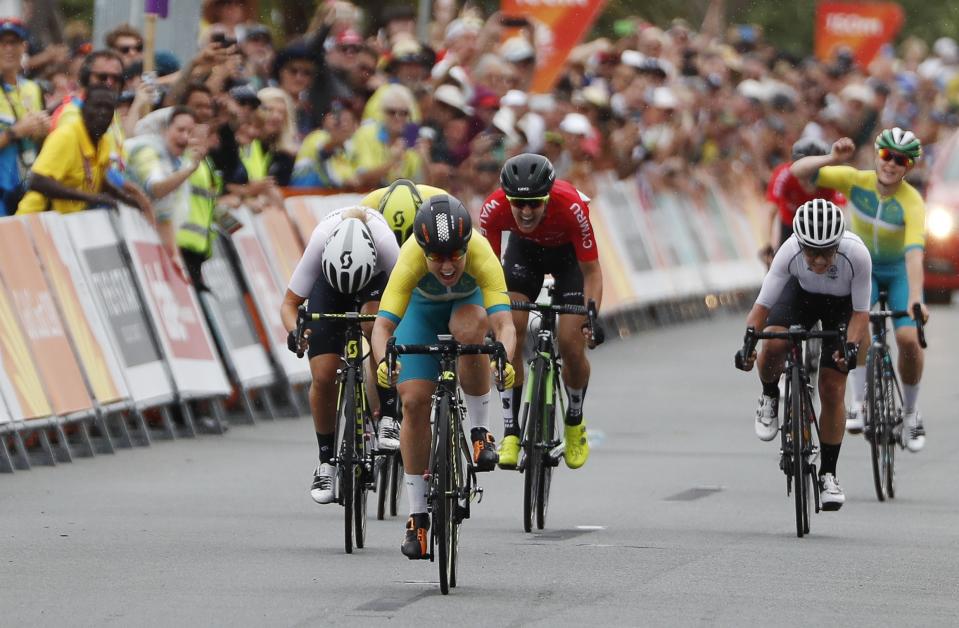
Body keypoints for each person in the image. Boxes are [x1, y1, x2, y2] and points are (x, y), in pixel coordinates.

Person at [370, 195, 517, 560]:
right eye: (436, 257)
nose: (448, 265)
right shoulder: (410, 258)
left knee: (470, 329)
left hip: (466, 306)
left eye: (455, 254)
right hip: (420, 314)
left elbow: (504, 324)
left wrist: (505, 359)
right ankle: (418, 514)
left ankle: (480, 430)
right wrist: (382, 362)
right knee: (414, 402)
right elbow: (382, 327)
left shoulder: (482, 253)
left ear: (467, 245)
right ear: (423, 250)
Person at [790, 130, 929, 451]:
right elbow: (797, 171)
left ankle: (910, 413)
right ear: (877, 155)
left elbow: (914, 254)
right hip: (864, 267)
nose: (891, 165)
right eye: (886, 156)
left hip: (896, 273)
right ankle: (859, 402)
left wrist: (916, 299)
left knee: (908, 339)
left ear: (908, 166)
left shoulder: (912, 201)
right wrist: (832, 159)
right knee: (859, 323)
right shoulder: (856, 180)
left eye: (901, 160)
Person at [737, 199, 871, 510]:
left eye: (827, 251)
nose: (820, 260)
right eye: (812, 251)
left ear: (838, 244)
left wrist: (849, 347)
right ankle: (770, 395)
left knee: (832, 387)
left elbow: (861, 315)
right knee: (772, 344)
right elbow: (761, 308)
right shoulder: (789, 251)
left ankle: (828, 474)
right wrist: (747, 346)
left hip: (842, 307)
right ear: (800, 243)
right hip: (801, 297)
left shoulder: (857, 255)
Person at [479, 153, 604, 471]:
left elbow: (591, 272)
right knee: (512, 332)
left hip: (569, 262)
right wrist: (493, 318)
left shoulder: (572, 206)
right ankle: (510, 431)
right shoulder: (493, 209)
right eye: (517, 203)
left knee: (570, 344)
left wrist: (592, 316)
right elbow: (488, 270)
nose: (525, 210)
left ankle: (574, 420)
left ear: (548, 197)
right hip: (525, 258)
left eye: (534, 203)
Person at [280, 206, 401, 504]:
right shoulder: (320, 240)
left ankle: (387, 413)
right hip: (330, 287)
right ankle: (326, 462)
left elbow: (408, 299)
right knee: (323, 376)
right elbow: (289, 304)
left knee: (374, 324)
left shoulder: (386, 244)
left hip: (375, 284)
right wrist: (296, 333)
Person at [16, 86, 145, 214]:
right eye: (97, 106)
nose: (103, 112)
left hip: (68, 223)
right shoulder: (66, 136)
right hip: (37, 221)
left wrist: (126, 199)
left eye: (108, 108)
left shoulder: (104, 141)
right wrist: (91, 198)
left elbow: (98, 180)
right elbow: (37, 181)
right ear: (83, 110)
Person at [126, 106, 208, 279]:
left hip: (141, 236)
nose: (185, 137)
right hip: (125, 235)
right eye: (180, 130)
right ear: (164, 128)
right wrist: (189, 170)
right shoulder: (147, 150)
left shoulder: (173, 160)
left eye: (190, 132)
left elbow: (164, 215)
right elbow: (157, 189)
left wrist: (174, 256)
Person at [760, 137, 844, 266]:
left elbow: (841, 213)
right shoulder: (784, 174)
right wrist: (767, 246)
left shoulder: (832, 177)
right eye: (802, 169)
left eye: (812, 171)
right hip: (789, 227)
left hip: (820, 228)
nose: (805, 176)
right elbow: (769, 211)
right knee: (780, 266)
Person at [0, 18, 48, 216]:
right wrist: (15, 132)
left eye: (14, 42)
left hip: (25, 190)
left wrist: (44, 131)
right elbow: (19, 132)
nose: (8, 49)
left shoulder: (33, 89)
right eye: (2, 43)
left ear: (24, 47)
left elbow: (41, 143)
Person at [350, 83, 423, 187]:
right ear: (382, 113)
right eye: (392, 112)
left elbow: (423, 184)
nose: (398, 117)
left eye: (404, 113)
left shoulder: (410, 138)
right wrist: (392, 162)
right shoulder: (366, 133)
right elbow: (362, 180)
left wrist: (425, 159)